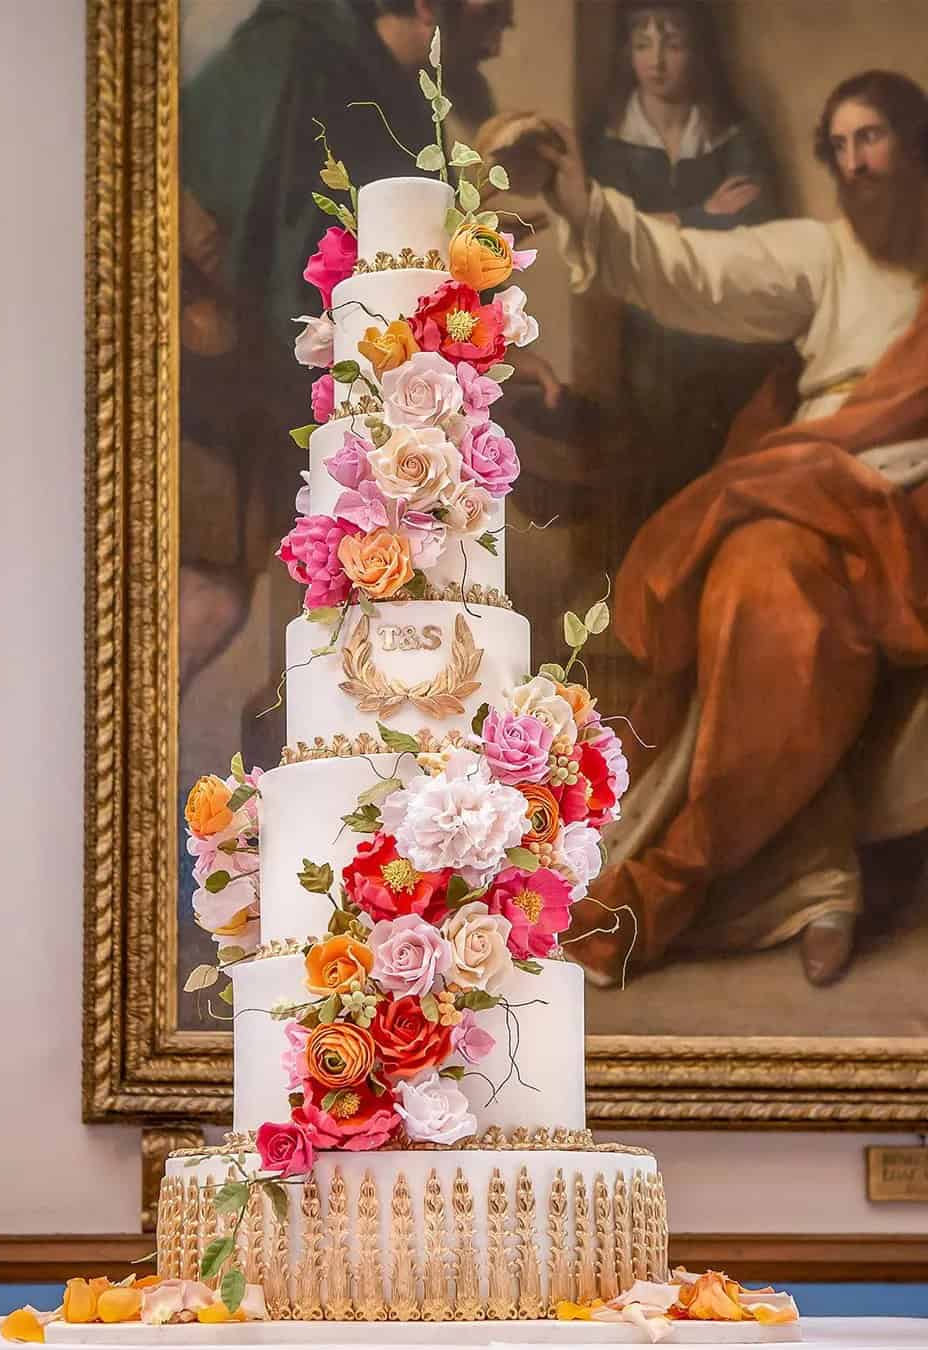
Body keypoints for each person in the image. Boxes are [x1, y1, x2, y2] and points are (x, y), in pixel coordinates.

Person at [509, 70, 928, 987]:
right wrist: (575, 196)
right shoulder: (825, 256)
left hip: (914, 514)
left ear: (915, 146)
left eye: (875, 139)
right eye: (841, 144)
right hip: (810, 490)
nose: (856, 163)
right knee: (754, 576)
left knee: (783, 580)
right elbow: (695, 270)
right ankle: (803, 880)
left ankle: (691, 874)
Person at [177, 0, 514, 768]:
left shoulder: (405, 106)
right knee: (207, 598)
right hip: (214, 376)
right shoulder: (295, 56)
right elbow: (207, 210)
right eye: (492, 9)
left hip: (296, 390)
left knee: (289, 634)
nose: (505, 30)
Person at [584, 2, 783, 522]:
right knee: (662, 466)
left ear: (697, 52)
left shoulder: (734, 136)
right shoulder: (610, 142)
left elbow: (757, 226)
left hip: (727, 322)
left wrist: (661, 223)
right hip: (651, 331)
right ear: (626, 52)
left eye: (673, 44)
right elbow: (612, 234)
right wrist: (705, 213)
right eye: (643, 44)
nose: (658, 61)